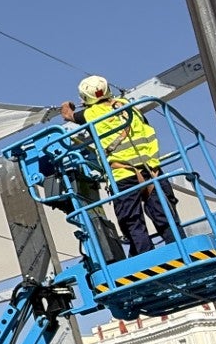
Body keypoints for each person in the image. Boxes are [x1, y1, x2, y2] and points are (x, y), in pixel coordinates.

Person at [62, 75, 174, 257]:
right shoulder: (129, 107)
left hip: (122, 173)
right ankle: (179, 248)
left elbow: (68, 115)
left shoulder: (91, 113)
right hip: (152, 171)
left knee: (131, 220)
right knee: (165, 214)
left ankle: (147, 258)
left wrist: (66, 104)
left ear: (85, 98)